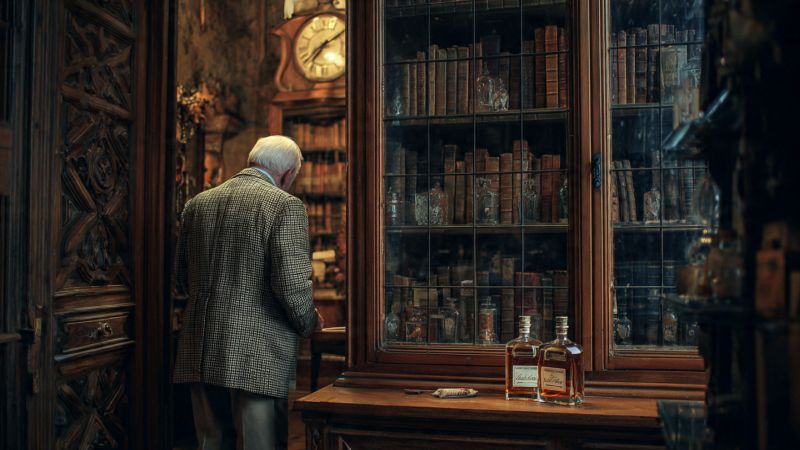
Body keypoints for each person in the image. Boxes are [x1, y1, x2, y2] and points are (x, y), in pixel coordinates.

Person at [173, 135, 319, 450]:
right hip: (258, 355)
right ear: (287, 174)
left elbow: (182, 279)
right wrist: (310, 323)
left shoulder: (197, 204)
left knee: (210, 442)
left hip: (200, 348)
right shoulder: (285, 205)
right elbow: (292, 285)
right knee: (259, 445)